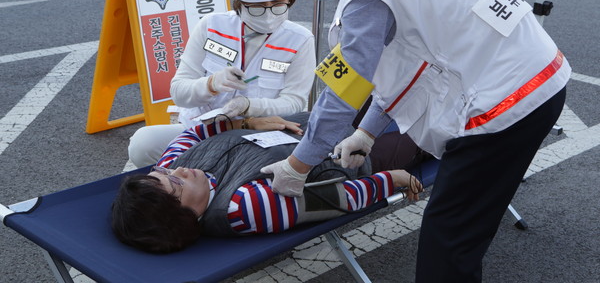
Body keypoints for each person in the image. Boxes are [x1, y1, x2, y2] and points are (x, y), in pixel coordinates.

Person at [256, 0, 571, 282]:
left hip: (507, 104)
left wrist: (297, 165)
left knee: (447, 243)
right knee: (459, 232)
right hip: (540, 77)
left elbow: (342, 93)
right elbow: (410, 63)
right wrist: (367, 132)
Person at [112, 113, 423, 253]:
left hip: (316, 120)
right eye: (175, 187)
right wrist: (391, 179)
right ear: (187, 217)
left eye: (164, 175)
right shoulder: (240, 208)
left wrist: (246, 122)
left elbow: (193, 134)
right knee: (428, 118)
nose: (177, 173)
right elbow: (335, 198)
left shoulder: (171, 167)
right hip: (353, 156)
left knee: (392, 77)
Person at [128, 0, 315, 168]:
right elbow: (178, 91)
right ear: (238, 0)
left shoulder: (300, 40)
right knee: (142, 144)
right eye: (256, 6)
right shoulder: (211, 26)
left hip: (258, 136)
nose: (268, 14)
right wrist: (210, 84)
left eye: (278, 4)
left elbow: (294, 102)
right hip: (202, 131)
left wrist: (248, 106)